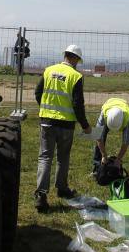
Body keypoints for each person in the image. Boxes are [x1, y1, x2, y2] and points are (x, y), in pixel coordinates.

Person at [34, 44, 91, 212]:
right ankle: (62, 188)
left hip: (47, 122)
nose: (77, 64)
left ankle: (41, 194)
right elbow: (77, 104)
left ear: (65, 55)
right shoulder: (75, 76)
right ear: (74, 58)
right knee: (63, 157)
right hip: (66, 125)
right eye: (77, 61)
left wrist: (46, 109)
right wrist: (85, 125)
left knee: (45, 157)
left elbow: (38, 93)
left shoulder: (48, 70)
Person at [93, 96, 129, 176]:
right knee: (101, 137)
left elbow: (125, 143)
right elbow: (98, 138)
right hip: (109, 105)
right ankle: (97, 168)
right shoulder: (104, 115)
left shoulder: (127, 119)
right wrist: (104, 155)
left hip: (125, 111)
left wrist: (118, 159)